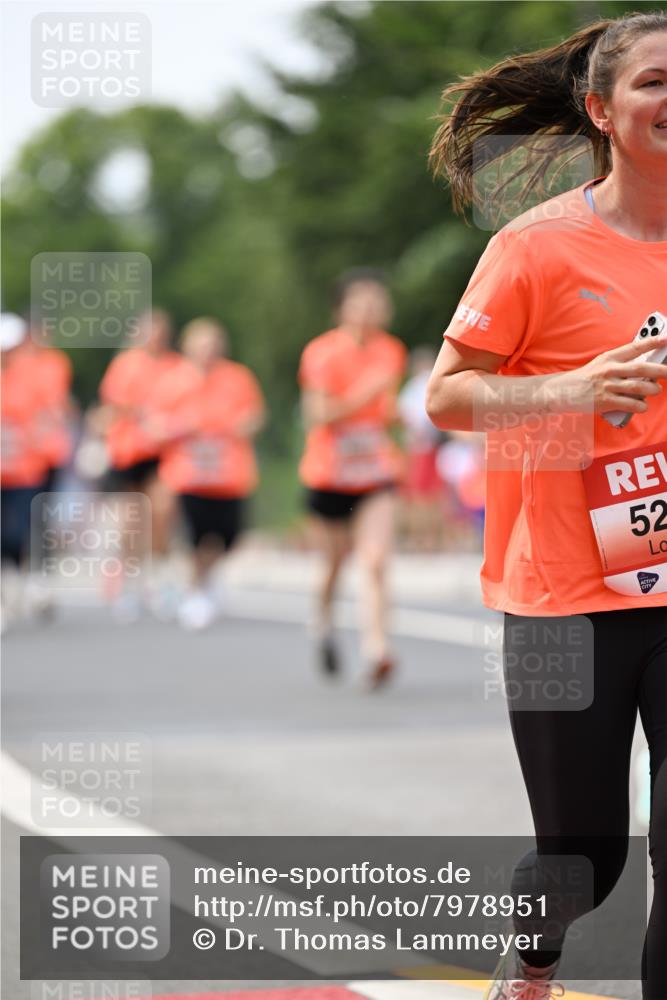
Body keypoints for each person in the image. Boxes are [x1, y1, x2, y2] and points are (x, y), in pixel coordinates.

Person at [425, 13, 667, 1000]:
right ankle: (531, 964)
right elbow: (448, 396)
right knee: (582, 858)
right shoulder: (536, 248)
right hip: (566, 593)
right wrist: (563, 392)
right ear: (601, 110)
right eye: (656, 82)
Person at [298, 269, 407, 688]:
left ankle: (377, 649)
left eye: (377, 300)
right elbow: (317, 413)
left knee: (376, 560)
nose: (370, 309)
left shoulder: (391, 351)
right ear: (341, 308)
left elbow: (384, 409)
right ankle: (323, 625)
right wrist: (366, 392)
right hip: (328, 474)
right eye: (360, 301)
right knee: (333, 564)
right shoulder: (322, 353)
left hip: (375, 473)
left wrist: (402, 417)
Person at [155, 317, 265, 630]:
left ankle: (207, 577)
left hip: (230, 475)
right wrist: (180, 427)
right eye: (202, 345)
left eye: (214, 344)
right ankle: (194, 591)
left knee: (228, 540)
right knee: (194, 537)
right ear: (187, 347)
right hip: (188, 475)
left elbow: (256, 415)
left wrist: (244, 426)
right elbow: (154, 425)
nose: (208, 351)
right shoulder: (172, 381)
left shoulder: (239, 378)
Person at [94, 309, 181, 620]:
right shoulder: (126, 364)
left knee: (162, 512)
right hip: (129, 452)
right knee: (132, 520)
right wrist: (142, 414)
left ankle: (158, 579)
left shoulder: (175, 366)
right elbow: (113, 405)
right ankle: (126, 581)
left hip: (163, 453)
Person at [398, 346, 449, 551]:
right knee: (426, 494)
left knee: (424, 494)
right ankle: (426, 538)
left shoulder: (414, 387)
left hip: (423, 446)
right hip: (424, 446)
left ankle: (425, 538)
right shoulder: (420, 386)